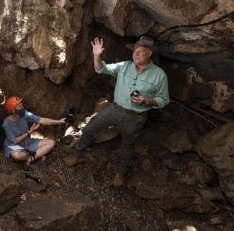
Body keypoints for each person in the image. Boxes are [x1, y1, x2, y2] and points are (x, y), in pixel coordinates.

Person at [65, 36, 170, 187]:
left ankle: (121, 172)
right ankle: (78, 155)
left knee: (127, 146)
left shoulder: (159, 75)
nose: (136, 53)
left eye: (140, 51)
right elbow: (102, 69)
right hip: (114, 109)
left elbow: (164, 100)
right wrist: (97, 55)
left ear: (149, 53)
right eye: (134, 51)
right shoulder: (125, 65)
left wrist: (147, 101)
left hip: (135, 117)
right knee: (89, 129)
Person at [3, 96, 65, 167]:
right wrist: (29, 132)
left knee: (51, 142)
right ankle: (37, 155)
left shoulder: (24, 114)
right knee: (16, 156)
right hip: (13, 145)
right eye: (20, 106)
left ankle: (31, 159)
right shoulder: (6, 123)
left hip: (26, 142)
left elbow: (41, 120)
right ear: (13, 110)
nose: (22, 107)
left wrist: (58, 121)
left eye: (22, 105)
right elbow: (14, 141)